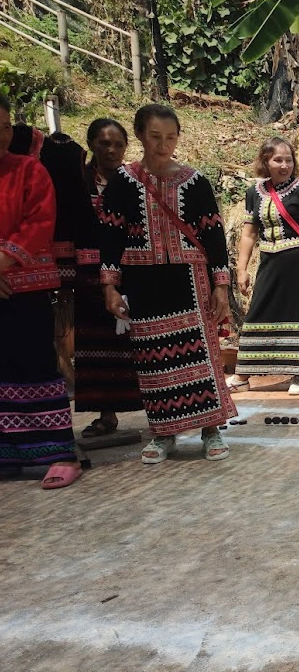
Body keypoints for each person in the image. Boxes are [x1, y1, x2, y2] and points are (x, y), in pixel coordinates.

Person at [98, 104, 238, 464]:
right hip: (143, 280)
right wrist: (110, 285)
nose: (163, 145)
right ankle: (163, 433)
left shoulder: (194, 181)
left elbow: (213, 235)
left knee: (200, 353)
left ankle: (211, 429)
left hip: (191, 279)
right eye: (155, 137)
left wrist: (221, 285)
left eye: (171, 138)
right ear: (140, 135)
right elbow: (111, 235)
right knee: (153, 359)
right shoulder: (123, 181)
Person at [0, 94, 83, 489]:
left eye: (5, 127)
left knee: (35, 364)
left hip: (25, 288)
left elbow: (38, 222)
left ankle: (59, 453)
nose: (1, 135)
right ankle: (8, 454)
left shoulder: (29, 170)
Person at [227, 136, 299, 395]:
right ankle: (242, 375)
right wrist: (241, 268)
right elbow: (249, 234)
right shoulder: (254, 193)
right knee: (258, 313)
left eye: (288, 160)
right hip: (269, 262)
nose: (284, 165)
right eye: (278, 160)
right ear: (265, 162)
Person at [74, 118, 142, 436]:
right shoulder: (79, 181)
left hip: (132, 272)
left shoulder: (135, 181)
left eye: (118, 144)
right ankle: (106, 414)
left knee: (140, 343)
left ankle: (161, 412)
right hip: (89, 276)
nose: (112, 150)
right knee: (98, 345)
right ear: (91, 144)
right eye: (104, 143)